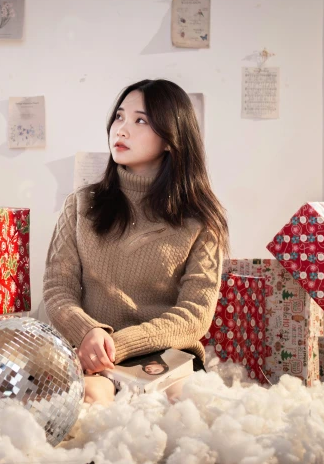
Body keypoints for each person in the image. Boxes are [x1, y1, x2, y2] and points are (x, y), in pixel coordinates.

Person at [43, 79, 229, 406]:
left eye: (140, 120)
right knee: (88, 402)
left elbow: (195, 314)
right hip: (91, 352)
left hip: (165, 355)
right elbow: (58, 287)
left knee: (180, 406)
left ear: (171, 138)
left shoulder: (201, 220)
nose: (122, 129)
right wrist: (88, 333)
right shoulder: (80, 205)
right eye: (119, 117)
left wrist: (119, 344)